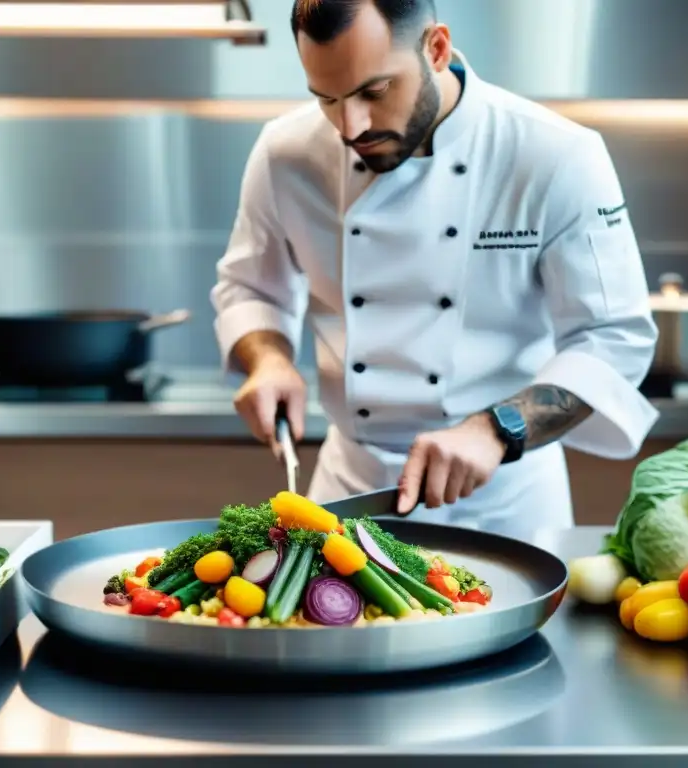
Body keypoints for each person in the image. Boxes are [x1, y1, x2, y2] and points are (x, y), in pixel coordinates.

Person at [210, 0, 659, 539]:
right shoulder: (286, 152)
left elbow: (613, 338)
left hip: (505, 505)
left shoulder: (555, 155)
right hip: (349, 492)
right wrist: (269, 361)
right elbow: (249, 288)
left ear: (437, 48)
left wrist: (497, 430)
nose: (350, 125)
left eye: (374, 92)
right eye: (327, 98)